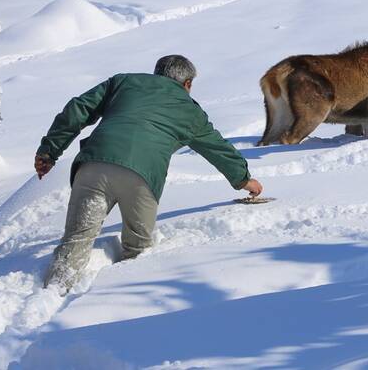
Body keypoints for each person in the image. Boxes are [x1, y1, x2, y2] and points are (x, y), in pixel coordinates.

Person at [35, 55, 263, 292]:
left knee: (76, 239)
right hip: (141, 179)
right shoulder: (190, 111)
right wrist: (244, 180)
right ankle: (121, 308)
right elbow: (218, 149)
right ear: (187, 84)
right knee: (138, 250)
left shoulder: (122, 82)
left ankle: (53, 290)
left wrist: (49, 151)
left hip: (94, 166)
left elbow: (78, 109)